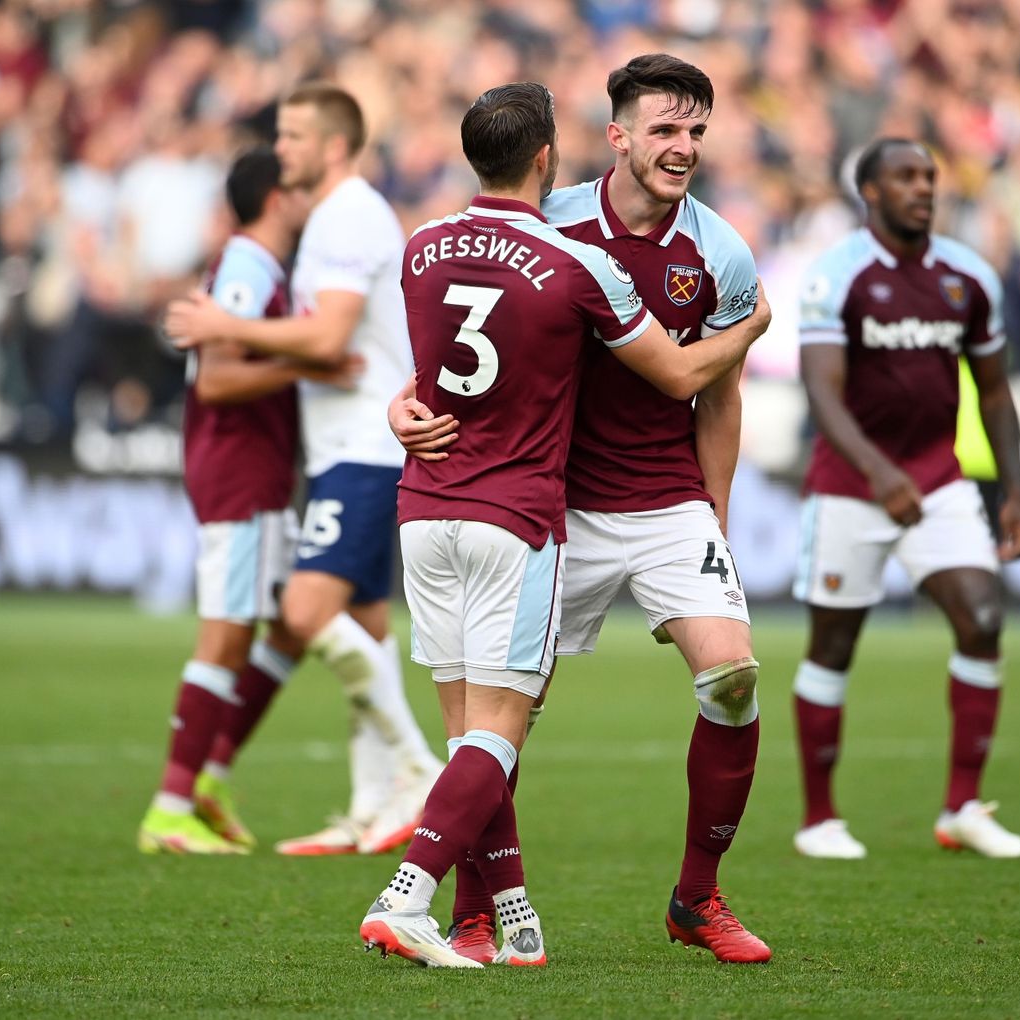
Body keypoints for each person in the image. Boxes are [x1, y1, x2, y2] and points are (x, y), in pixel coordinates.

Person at [360, 81, 769, 970]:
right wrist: (402, 405)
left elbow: (717, 396)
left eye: (697, 129)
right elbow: (472, 351)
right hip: (556, 503)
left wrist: (717, 516)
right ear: (616, 137)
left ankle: (697, 897)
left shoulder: (722, 252)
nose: (684, 145)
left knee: (733, 676)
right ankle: (473, 913)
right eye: (666, 127)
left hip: (667, 500)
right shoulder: (559, 227)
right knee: (503, 720)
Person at [165, 86, 445, 857]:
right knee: (367, 628)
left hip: (365, 448)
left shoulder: (348, 214)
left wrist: (222, 324)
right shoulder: (332, 218)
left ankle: (419, 768)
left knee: (304, 611)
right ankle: (371, 805)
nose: (279, 148)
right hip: (345, 449)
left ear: (333, 146)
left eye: (293, 136)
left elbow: (329, 337)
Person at [789, 138, 1020, 861]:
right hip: (849, 485)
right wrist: (877, 473)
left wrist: (1014, 491)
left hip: (937, 481)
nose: (923, 188)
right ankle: (819, 818)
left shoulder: (968, 277)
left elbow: (995, 392)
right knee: (833, 646)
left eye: (928, 176)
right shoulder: (837, 274)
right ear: (869, 191)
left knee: (983, 619)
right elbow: (822, 392)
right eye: (904, 177)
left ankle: (963, 807)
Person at [139, 148, 321, 854]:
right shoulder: (247, 265)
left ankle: (210, 777)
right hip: (239, 469)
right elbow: (217, 379)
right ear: (277, 198)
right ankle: (170, 808)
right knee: (224, 635)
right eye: (301, 188)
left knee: (290, 627)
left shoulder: (259, 266)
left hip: (258, 469)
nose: (311, 199)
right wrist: (311, 360)